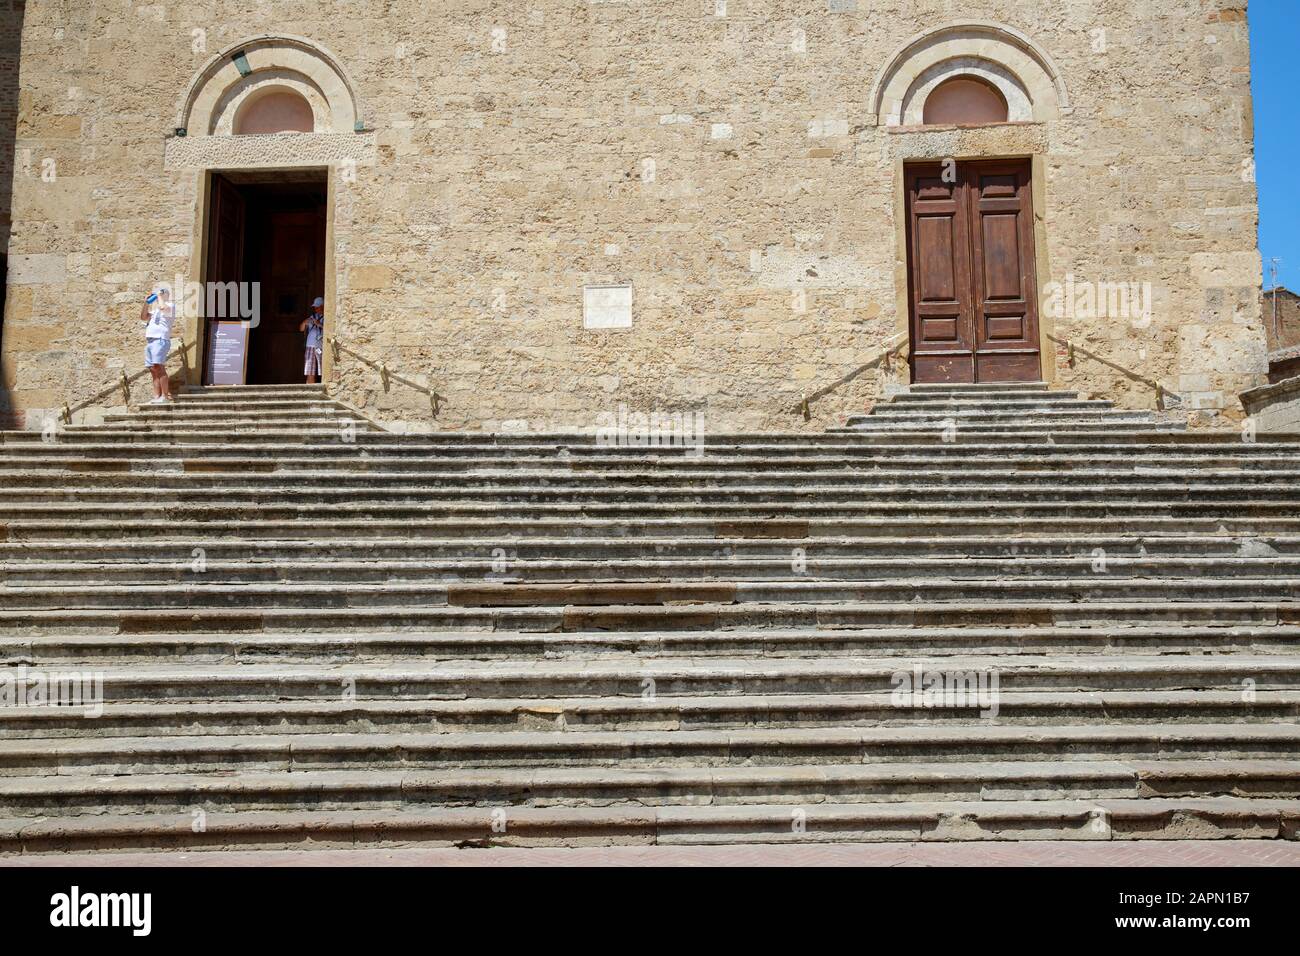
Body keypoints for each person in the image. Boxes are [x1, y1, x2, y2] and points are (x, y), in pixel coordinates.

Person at [139, 285, 176, 404]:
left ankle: (165, 396)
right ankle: (156, 396)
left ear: (166, 295)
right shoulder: (154, 312)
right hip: (150, 341)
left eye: (161, 293)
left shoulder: (170, 306)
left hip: (160, 339)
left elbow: (162, 306)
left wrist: (160, 295)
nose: (157, 295)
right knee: (152, 369)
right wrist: (146, 302)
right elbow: (143, 317)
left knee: (159, 367)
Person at [300, 297, 325, 384]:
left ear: (323, 306)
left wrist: (319, 324)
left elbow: (329, 330)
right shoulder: (312, 317)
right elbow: (301, 329)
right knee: (310, 370)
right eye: (315, 307)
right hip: (310, 345)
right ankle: (309, 389)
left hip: (321, 346)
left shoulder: (327, 317)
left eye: (317, 307)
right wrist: (304, 322)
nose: (316, 309)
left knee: (323, 369)